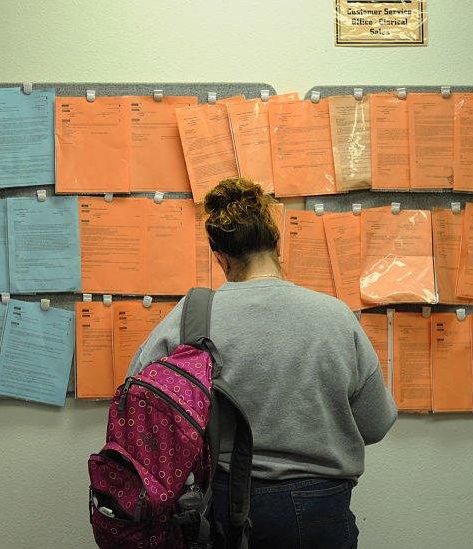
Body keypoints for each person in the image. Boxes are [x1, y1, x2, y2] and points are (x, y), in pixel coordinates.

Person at [126, 177, 397, 548]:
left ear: (220, 257)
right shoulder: (336, 318)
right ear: (276, 243)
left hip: (224, 507)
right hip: (320, 508)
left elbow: (138, 403)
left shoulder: (192, 317)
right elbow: (376, 424)